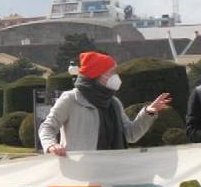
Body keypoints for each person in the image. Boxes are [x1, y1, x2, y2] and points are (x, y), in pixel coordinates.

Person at [39, 52, 172, 155]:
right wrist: (51, 145)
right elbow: (47, 127)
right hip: (81, 172)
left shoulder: (113, 102)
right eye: (111, 72)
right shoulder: (71, 99)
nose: (116, 76)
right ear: (97, 76)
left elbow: (131, 135)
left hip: (112, 170)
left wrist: (148, 112)